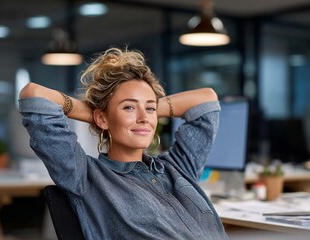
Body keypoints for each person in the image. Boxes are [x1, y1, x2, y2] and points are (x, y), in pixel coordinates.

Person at [19, 47, 228, 239]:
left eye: (150, 109)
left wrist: (147, 107)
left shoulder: (177, 167)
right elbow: (34, 95)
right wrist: (99, 113)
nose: (144, 118)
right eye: (128, 108)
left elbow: (207, 101)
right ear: (100, 119)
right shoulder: (86, 176)